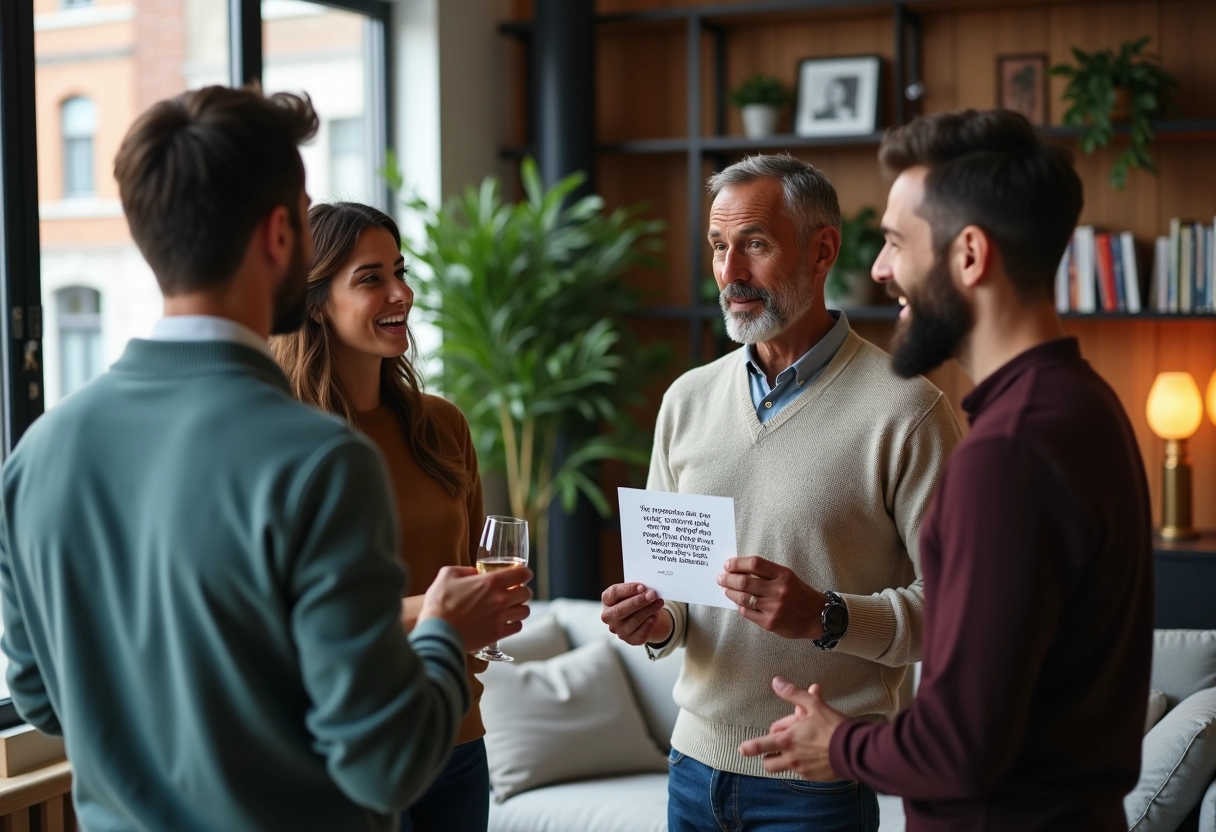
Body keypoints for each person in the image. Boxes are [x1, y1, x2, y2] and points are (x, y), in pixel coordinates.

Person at [0, 86, 531, 832]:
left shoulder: (38, 454)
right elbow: (386, 763)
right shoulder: (320, 460)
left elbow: (40, 699)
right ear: (281, 234)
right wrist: (442, 628)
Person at [739, 109, 1153, 831]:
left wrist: (839, 744)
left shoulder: (1006, 454)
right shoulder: (1087, 405)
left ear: (968, 255)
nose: (879, 269)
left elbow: (961, 746)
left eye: (897, 242)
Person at [600, 153, 961, 832]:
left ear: (822, 251)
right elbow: (676, 596)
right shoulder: (685, 400)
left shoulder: (908, 411)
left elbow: (956, 612)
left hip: (818, 784)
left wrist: (826, 615)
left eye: (755, 244)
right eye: (718, 246)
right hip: (691, 768)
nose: (730, 272)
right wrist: (655, 622)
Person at [270, 201, 492, 832]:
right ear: (316, 304)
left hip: (455, 739)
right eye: (371, 278)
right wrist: (437, 611)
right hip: (347, 750)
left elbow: (469, 571)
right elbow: (286, 626)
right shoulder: (282, 445)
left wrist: (482, 619)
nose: (401, 293)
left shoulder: (442, 425)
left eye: (400, 271)